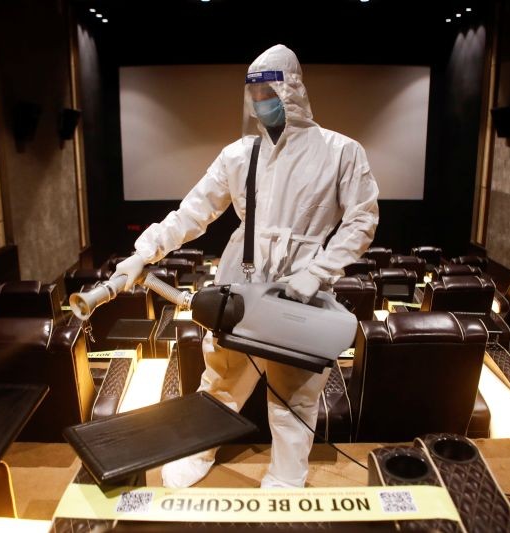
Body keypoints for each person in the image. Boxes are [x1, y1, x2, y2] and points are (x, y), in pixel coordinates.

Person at [114, 44, 379, 488]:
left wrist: (317, 271)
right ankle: (200, 451)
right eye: (254, 94)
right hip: (241, 282)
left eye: (269, 92)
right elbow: (192, 213)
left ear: (291, 89)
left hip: (303, 289)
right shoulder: (238, 155)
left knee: (295, 390)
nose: (261, 103)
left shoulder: (341, 152)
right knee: (222, 374)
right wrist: (144, 253)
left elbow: (362, 219)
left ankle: (288, 472)